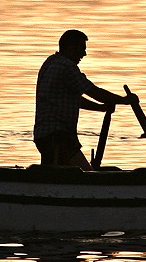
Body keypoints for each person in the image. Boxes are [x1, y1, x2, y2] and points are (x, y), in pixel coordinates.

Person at [33, 29, 136, 169]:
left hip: (44, 136)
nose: (84, 53)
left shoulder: (50, 62)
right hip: (57, 137)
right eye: (82, 48)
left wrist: (102, 108)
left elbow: (73, 99)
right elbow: (94, 92)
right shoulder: (67, 68)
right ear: (71, 47)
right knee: (86, 173)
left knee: (57, 177)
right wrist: (125, 100)